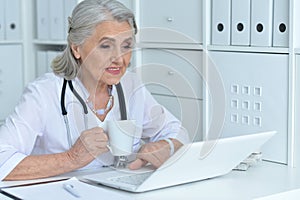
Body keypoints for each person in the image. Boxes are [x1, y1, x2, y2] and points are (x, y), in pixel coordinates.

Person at [0, 0, 189, 181]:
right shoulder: (43, 93)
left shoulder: (131, 85)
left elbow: (177, 131)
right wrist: (71, 158)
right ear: (77, 48)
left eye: (126, 46)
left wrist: (166, 147)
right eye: (106, 46)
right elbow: (2, 158)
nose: (119, 59)